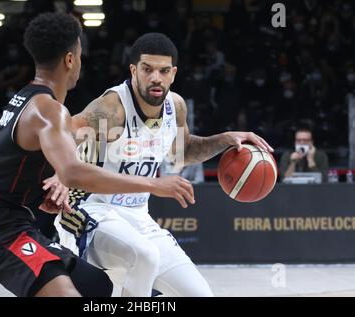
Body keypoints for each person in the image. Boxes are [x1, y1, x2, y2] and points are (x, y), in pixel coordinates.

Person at [0, 14, 194, 298]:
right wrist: (153, 185)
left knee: (99, 288)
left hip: (11, 221)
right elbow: (73, 171)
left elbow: (22, 165)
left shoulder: (27, 98)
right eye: (81, 55)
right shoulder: (49, 110)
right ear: (70, 60)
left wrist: (45, 186)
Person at [54, 33, 274, 297]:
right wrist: (59, 171)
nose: (156, 77)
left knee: (201, 295)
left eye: (163, 70)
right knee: (144, 255)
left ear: (173, 73)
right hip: (91, 211)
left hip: (137, 218)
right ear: (134, 70)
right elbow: (63, 133)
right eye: (147, 69)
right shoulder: (113, 108)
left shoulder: (175, 107)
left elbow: (184, 151)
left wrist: (226, 139)